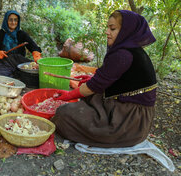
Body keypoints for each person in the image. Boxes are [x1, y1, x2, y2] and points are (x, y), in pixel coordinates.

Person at [51, 10, 157, 148]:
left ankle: (103, 130)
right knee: (88, 97)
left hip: (129, 122)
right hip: (128, 110)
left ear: (127, 31)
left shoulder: (123, 55)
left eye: (112, 28)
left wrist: (67, 95)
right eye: (107, 27)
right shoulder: (131, 50)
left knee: (63, 114)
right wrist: (89, 80)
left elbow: (94, 86)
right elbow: (108, 79)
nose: (107, 32)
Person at [0, 10, 42, 77]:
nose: (13, 22)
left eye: (15, 20)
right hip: (4, 61)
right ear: (6, 21)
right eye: (10, 20)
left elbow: (32, 45)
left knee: (32, 73)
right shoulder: (0, 34)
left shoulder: (21, 34)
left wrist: (36, 53)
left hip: (18, 61)